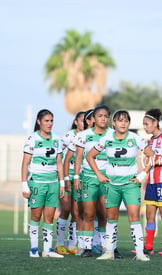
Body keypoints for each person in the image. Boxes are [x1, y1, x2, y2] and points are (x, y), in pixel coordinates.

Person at [86, 109, 155, 261]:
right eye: (120, 120)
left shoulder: (135, 138)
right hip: (111, 185)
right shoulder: (106, 139)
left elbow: (152, 156)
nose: (123, 123)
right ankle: (109, 252)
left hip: (130, 184)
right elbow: (90, 156)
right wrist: (99, 174)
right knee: (111, 217)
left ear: (129, 123)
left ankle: (140, 253)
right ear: (114, 123)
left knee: (134, 216)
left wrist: (142, 175)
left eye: (126, 121)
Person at [21, 109, 65, 258]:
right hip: (37, 183)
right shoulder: (32, 139)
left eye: (51, 120)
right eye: (46, 121)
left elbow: (59, 163)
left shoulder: (57, 139)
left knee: (49, 217)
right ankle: (33, 249)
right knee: (36, 216)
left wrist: (62, 183)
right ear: (39, 122)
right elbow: (25, 163)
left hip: (53, 183)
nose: (49, 124)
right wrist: (24, 185)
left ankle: (47, 250)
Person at [73, 104, 112, 258]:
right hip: (88, 178)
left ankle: (108, 247)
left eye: (106, 116)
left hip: (107, 178)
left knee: (106, 215)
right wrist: (76, 177)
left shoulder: (113, 134)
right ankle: (86, 247)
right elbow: (78, 158)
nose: (103, 119)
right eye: (100, 116)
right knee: (89, 214)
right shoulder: (84, 135)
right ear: (94, 119)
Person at [141, 108, 162, 255]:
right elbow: (150, 160)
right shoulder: (151, 140)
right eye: (143, 124)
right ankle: (148, 247)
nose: (145, 127)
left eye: (146, 123)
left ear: (155, 123)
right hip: (152, 182)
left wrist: (156, 161)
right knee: (149, 215)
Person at [63, 109, 95, 256]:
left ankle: (94, 244)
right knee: (76, 213)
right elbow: (65, 158)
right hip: (77, 177)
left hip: (93, 179)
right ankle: (72, 244)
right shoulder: (74, 137)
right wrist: (67, 179)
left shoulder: (99, 136)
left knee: (95, 213)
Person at [55, 111, 85, 255]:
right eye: (82, 120)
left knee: (76, 212)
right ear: (76, 122)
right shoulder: (67, 137)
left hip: (81, 178)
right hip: (67, 177)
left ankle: (71, 244)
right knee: (65, 209)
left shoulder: (88, 137)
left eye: (87, 120)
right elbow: (59, 158)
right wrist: (63, 178)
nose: (84, 123)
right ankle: (59, 244)